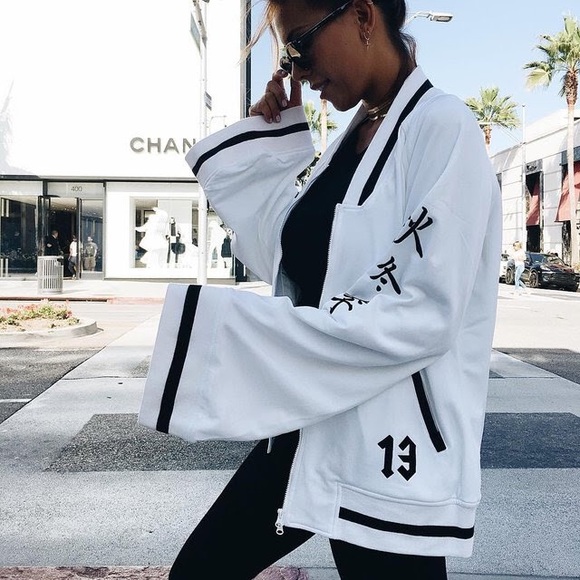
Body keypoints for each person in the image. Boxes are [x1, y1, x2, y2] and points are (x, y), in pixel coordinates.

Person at [139, 1, 501, 578]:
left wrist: (244, 331)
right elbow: (293, 264)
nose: (297, 72)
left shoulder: (442, 126)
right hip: (310, 423)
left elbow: (427, 312)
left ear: (361, 16)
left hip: (386, 444)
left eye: (300, 47)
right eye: (288, 58)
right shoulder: (352, 139)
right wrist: (274, 148)